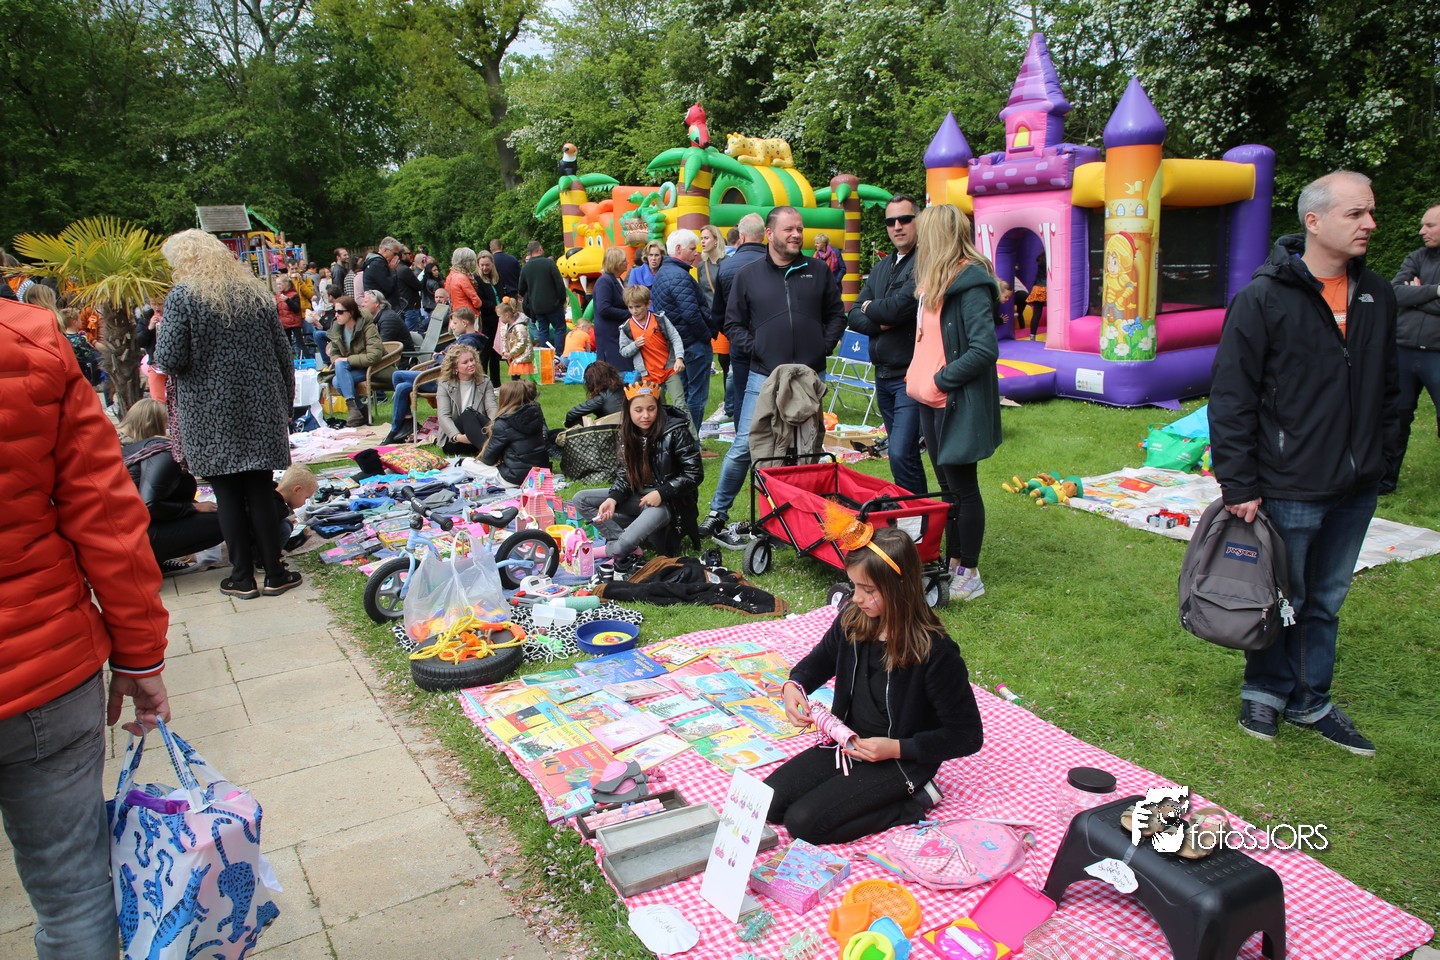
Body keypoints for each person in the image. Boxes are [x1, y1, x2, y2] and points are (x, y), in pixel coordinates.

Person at [0, 295, 172, 960]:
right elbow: (106, 516)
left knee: (73, 894)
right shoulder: (27, 340)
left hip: (41, 660)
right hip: (42, 669)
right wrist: (140, 654)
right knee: (73, 893)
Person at [1210, 170, 1399, 756]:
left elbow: (1391, 390)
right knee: (1279, 594)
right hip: (1289, 481)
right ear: (1313, 222)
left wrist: (1384, 461)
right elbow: (1232, 396)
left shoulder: (1377, 294)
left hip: (1356, 483)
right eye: (1355, 213)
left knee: (1326, 598)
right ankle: (1264, 692)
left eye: (1370, 212)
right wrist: (1239, 481)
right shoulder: (1263, 298)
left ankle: (1311, 698)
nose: (1370, 224)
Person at [765, 526, 983, 845]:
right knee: (768, 801)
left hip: (899, 758)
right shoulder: (853, 618)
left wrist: (896, 748)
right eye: (854, 585)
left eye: (867, 589)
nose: (856, 597)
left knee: (804, 823)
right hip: (848, 742)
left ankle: (914, 802)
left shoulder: (935, 652)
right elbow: (820, 660)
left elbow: (967, 735)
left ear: (899, 587)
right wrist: (794, 685)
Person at [154, 228, 299, 599]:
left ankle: (241, 577)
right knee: (260, 488)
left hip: (209, 412)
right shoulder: (255, 294)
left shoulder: (183, 296)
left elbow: (169, 358)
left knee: (228, 495)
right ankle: (275, 572)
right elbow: (283, 354)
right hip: (260, 405)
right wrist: (285, 403)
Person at [700, 206, 846, 548]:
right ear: (769, 233)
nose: (796, 234)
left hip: (809, 375)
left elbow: (836, 315)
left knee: (805, 447)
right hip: (763, 376)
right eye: (788, 229)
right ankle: (718, 512)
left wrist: (821, 346)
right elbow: (732, 322)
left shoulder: (818, 270)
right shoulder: (748, 275)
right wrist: (758, 349)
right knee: (745, 445)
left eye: (800, 229)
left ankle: (793, 516)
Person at [906, 204, 1002, 602]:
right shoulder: (935, 281)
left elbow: (984, 349)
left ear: (936, 236)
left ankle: (970, 572)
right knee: (947, 489)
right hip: (929, 401)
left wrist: (941, 379)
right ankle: (954, 561)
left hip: (953, 401)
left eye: (921, 232)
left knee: (963, 488)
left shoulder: (971, 282)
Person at [571, 381, 704, 578]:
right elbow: (625, 475)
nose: (645, 415)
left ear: (658, 408)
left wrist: (662, 493)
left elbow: (694, 473)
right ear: (628, 411)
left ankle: (601, 551)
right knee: (580, 499)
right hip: (637, 498)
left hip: (668, 503)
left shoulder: (676, 431)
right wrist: (613, 498)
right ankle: (629, 545)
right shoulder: (627, 433)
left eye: (651, 409)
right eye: (638, 410)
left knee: (622, 545)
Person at [848, 195, 925, 496]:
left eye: (905, 219)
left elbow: (899, 309)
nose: (897, 226)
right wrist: (879, 320)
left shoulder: (925, 262)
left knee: (901, 452)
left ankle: (918, 514)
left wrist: (875, 309)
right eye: (891, 221)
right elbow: (854, 314)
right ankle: (914, 512)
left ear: (918, 220)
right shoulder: (882, 267)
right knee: (901, 455)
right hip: (882, 375)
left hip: (910, 375)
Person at [119, 398, 224, 570]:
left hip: (120, 532)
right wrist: (192, 507)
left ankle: (156, 561)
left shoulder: (129, 448)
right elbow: (149, 504)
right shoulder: (161, 451)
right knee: (225, 519)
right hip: (132, 535)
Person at [1383, 203, 1440, 492]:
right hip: (1403, 349)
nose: (1422, 231)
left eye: (1430, 225)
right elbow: (1395, 292)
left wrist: (1416, 294)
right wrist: (1436, 291)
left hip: (1437, 354)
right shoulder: (1416, 257)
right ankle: (1385, 480)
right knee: (1396, 416)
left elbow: (1406, 296)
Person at [650, 229, 714, 431]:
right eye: (692, 248)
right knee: (696, 396)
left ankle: (682, 437)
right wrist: (706, 336)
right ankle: (691, 439)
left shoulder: (663, 273)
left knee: (684, 394)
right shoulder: (679, 276)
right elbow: (691, 315)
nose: (696, 252)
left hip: (678, 345)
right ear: (678, 249)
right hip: (692, 344)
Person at [710, 213, 768, 428]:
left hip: (740, 340)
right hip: (771, 341)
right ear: (763, 236)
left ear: (741, 237)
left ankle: (742, 438)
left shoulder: (726, 266)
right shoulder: (774, 263)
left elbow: (718, 313)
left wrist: (733, 334)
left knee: (742, 394)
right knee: (772, 394)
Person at [465, 379, 551, 486]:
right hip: (540, 474)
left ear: (505, 398)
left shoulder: (503, 423)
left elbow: (488, 460)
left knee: (466, 463)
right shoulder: (536, 413)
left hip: (515, 478)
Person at [620, 284, 686, 406]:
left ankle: (685, 420)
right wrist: (635, 345)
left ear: (648, 304)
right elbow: (623, 351)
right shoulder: (626, 327)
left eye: (638, 306)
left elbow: (675, 337)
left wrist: (679, 358)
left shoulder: (659, 319)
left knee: (680, 404)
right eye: (630, 307)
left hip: (669, 368)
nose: (634, 311)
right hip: (649, 375)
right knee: (659, 408)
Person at [326, 294, 385, 427]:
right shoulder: (337, 328)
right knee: (337, 376)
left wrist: (346, 359)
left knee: (338, 377)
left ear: (351, 312)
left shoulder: (368, 327)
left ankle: (359, 411)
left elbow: (374, 356)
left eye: (340, 312)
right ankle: (358, 411)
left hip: (371, 368)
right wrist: (338, 360)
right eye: (335, 312)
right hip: (349, 368)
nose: (336, 315)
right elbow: (334, 353)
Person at [436, 343, 500, 455]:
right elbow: (443, 416)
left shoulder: (484, 381)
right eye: (465, 362)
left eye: (472, 360)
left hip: (480, 432)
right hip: (457, 439)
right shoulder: (444, 385)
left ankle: (490, 451)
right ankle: (490, 454)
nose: (471, 364)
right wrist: (458, 437)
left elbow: (491, 407)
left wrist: (493, 429)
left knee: (477, 415)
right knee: (468, 414)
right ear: (455, 367)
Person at [519, 240, 569, 350]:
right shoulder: (549, 263)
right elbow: (559, 284)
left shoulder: (525, 268)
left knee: (543, 330)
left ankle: (545, 355)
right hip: (553, 304)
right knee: (560, 328)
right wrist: (561, 300)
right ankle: (558, 354)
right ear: (540, 249)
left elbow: (521, 289)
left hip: (537, 306)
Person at [593, 246, 631, 368]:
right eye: (624, 261)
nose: (627, 262)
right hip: (609, 335)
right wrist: (629, 313)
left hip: (617, 333)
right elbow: (604, 309)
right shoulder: (604, 281)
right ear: (616, 263)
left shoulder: (617, 279)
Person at [474, 250, 505, 385]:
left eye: (487, 265)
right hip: (486, 319)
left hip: (498, 319)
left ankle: (496, 382)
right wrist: (494, 307)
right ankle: (483, 382)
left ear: (492, 264)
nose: (485, 268)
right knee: (485, 353)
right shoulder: (477, 280)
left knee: (496, 353)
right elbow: (480, 300)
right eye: (482, 265)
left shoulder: (497, 278)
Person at [564, 360, 626, 427]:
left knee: (576, 421)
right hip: (628, 426)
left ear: (591, 382)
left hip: (617, 429)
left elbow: (571, 414)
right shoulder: (624, 388)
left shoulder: (601, 397)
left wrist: (568, 425)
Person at [274, 273, 307, 357]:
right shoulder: (277, 296)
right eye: (277, 284)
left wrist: (288, 300)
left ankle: (304, 358)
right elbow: (278, 311)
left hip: (294, 322)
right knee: (286, 343)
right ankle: (289, 359)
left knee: (299, 342)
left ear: (286, 283)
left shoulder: (294, 294)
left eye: (280, 284)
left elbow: (296, 309)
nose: (278, 286)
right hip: (284, 323)